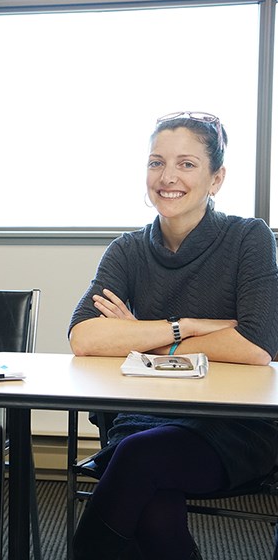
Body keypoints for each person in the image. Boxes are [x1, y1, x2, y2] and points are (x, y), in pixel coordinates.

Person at [68, 111, 278, 560]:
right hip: (143, 417)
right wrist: (190, 327)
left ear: (216, 178)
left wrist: (140, 337)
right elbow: (84, 337)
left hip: (232, 426)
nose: (167, 177)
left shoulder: (250, 239)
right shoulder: (127, 250)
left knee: (140, 464)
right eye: (156, 162)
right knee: (152, 504)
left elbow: (257, 346)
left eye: (186, 164)